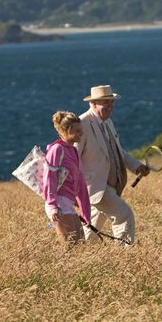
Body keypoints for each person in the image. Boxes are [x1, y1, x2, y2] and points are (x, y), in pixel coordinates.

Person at [76, 85, 149, 244]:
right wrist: (74, 190)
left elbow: (118, 151)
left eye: (111, 102)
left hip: (108, 185)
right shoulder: (82, 123)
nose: (110, 106)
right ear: (94, 104)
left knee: (94, 224)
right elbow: (73, 157)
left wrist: (136, 166)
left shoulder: (107, 121)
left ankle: (80, 252)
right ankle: (124, 256)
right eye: (105, 102)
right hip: (94, 187)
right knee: (124, 215)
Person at [43, 111, 91, 245]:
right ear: (66, 130)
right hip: (58, 203)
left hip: (67, 203)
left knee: (80, 245)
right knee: (71, 247)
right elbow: (49, 179)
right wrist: (53, 206)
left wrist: (86, 213)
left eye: (81, 129)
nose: (81, 133)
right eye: (77, 130)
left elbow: (81, 184)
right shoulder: (57, 149)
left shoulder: (74, 151)